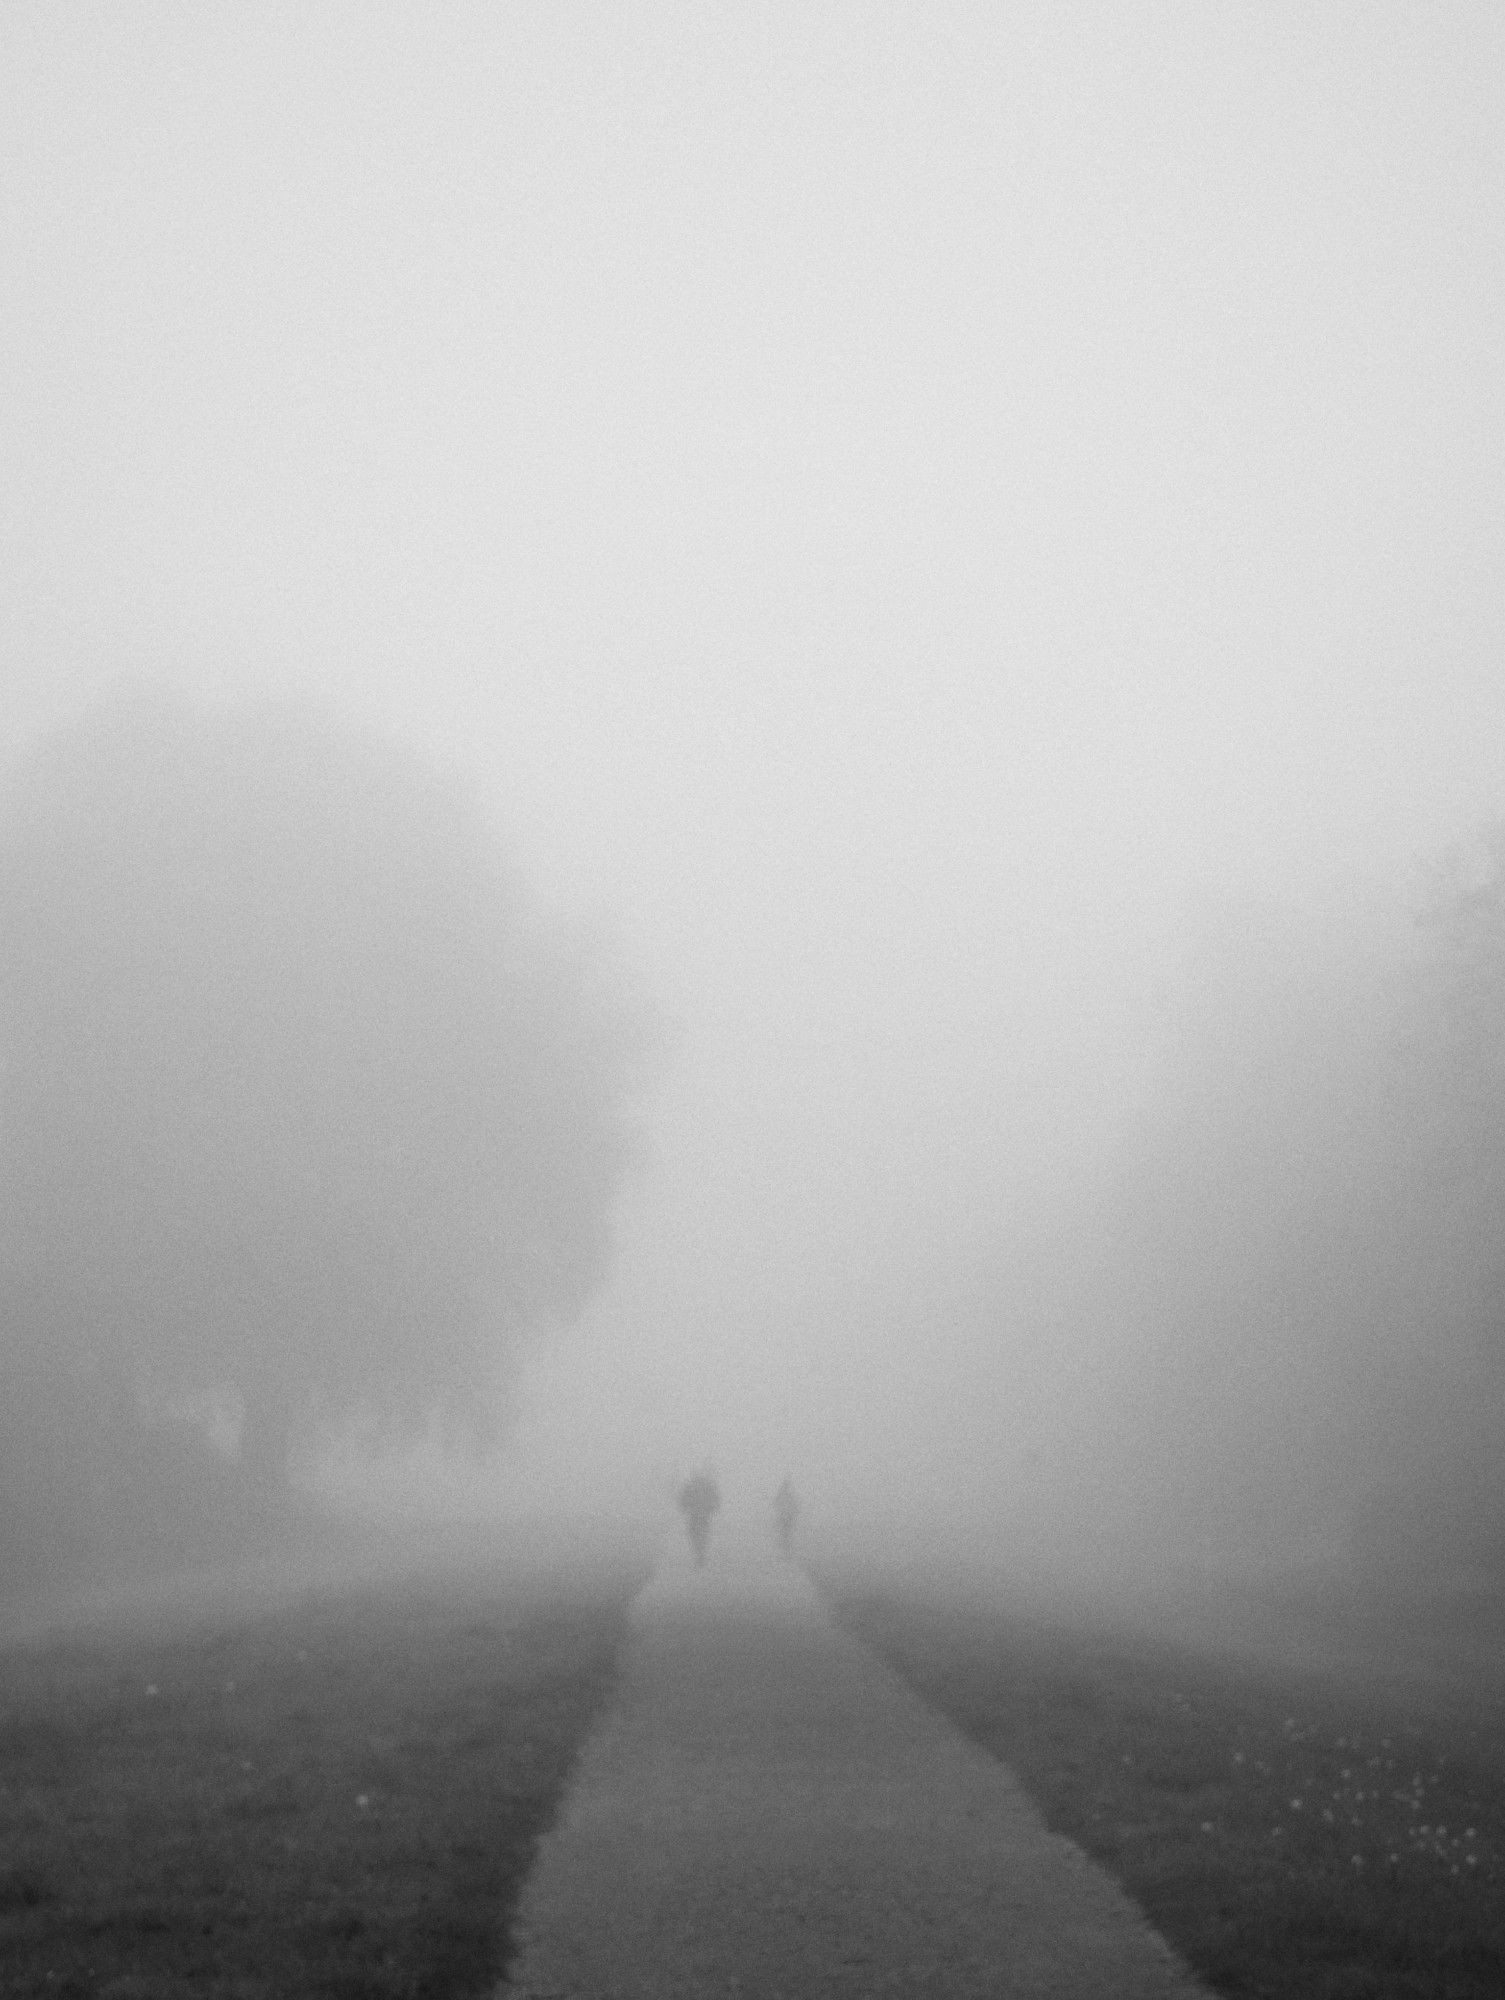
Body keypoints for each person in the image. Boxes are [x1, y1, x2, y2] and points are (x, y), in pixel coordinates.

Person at [677, 1464, 720, 1567]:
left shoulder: (692, 1485)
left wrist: (685, 1507)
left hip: (696, 1515)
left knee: (695, 1534)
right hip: (702, 1515)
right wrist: (712, 1508)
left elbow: (683, 1500)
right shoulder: (707, 1485)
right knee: (700, 1534)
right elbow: (716, 1500)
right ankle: (700, 1553)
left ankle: (699, 1553)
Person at [772, 1476, 799, 1559]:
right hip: (784, 1517)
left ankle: (786, 1552)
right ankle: (785, 1552)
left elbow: (794, 1506)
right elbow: (776, 1503)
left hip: (786, 1517)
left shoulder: (786, 1495)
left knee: (785, 1534)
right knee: (784, 1534)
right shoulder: (785, 1495)